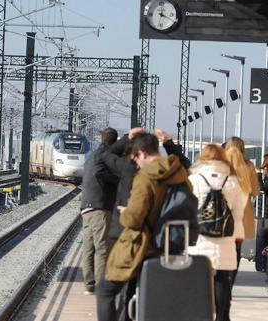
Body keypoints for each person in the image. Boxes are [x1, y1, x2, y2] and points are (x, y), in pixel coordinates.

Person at [97, 132, 190, 321]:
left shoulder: (146, 176)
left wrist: (125, 213)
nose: (136, 164)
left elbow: (134, 218)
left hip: (142, 245)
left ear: (142, 153)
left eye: (135, 159)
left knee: (105, 290)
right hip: (170, 245)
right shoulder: (179, 173)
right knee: (135, 292)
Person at [188, 144, 246, 321]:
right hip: (224, 236)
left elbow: (188, 207)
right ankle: (222, 316)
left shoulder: (194, 179)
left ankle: (200, 314)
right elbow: (238, 211)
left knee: (199, 279)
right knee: (222, 279)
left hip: (200, 236)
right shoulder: (232, 181)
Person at [80, 127, 120, 294]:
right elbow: (99, 173)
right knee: (102, 247)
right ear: (115, 142)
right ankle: (102, 286)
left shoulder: (92, 155)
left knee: (88, 247)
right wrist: (119, 180)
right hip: (100, 207)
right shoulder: (106, 155)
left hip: (87, 207)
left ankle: (89, 284)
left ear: (102, 139)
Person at [223, 137, 260, 284]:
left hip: (223, 212)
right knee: (236, 247)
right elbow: (256, 190)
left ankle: (222, 276)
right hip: (242, 213)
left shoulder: (221, 165)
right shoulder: (249, 166)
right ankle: (231, 277)